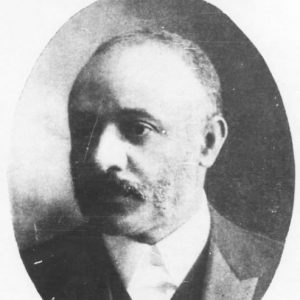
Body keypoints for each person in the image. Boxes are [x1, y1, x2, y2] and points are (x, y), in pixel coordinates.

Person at [21, 30, 283, 300]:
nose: (100, 158)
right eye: (85, 130)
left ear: (207, 142)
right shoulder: (25, 273)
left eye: (137, 129)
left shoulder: (284, 270)